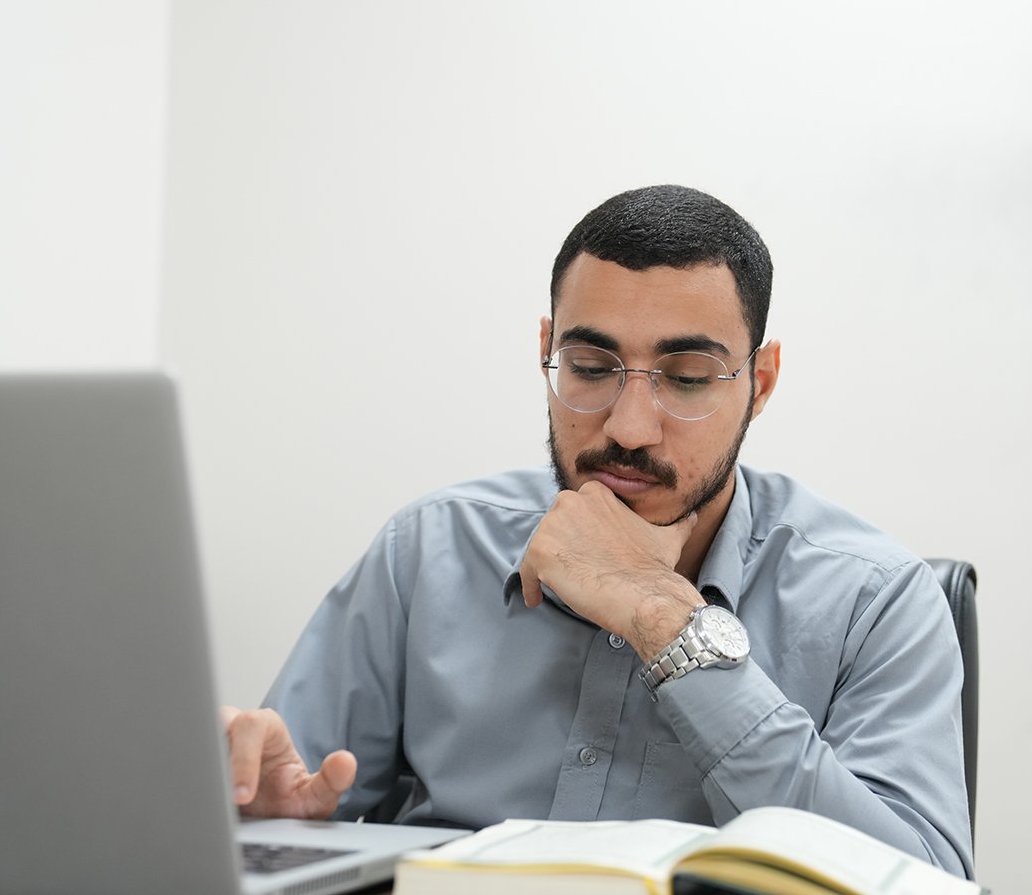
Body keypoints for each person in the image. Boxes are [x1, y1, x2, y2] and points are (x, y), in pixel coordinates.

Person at [223, 184, 973, 878]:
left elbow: (921, 881)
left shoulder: (877, 600)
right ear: (546, 350)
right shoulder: (427, 550)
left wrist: (663, 619)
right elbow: (289, 796)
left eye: (686, 377)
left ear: (760, 383)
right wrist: (260, 820)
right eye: (589, 367)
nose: (628, 428)